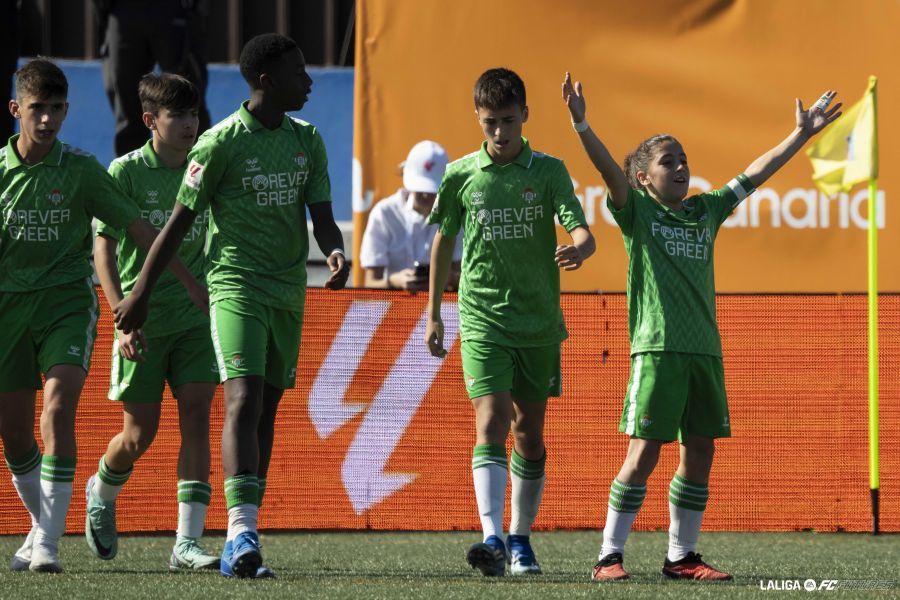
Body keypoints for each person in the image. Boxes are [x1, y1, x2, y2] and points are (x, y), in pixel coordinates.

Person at [561, 72, 841, 582]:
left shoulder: (706, 211)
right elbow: (609, 173)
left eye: (684, 159)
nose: (682, 167)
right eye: (669, 161)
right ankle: (608, 555)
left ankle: (681, 556)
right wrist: (582, 124)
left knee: (701, 450)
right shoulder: (638, 212)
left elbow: (755, 173)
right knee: (644, 453)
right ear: (644, 177)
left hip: (704, 352)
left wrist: (801, 135)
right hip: (658, 350)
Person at [112, 33, 350, 580]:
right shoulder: (218, 144)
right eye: (299, 72)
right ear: (266, 81)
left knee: (265, 409)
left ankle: (247, 528)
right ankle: (239, 535)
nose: (309, 82)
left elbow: (322, 214)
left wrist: (334, 249)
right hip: (234, 287)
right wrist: (142, 292)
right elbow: (177, 226)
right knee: (241, 398)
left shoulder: (307, 140)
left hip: (287, 293)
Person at [0, 58, 206, 574]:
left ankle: (50, 545)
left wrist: (186, 282)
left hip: (67, 303)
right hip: (9, 309)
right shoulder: (5, 174)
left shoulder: (83, 169)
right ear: (15, 110)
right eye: (36, 109)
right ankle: (47, 523)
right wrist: (132, 307)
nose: (46, 120)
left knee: (58, 410)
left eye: (55, 109)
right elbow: (113, 244)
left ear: (67, 110)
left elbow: (140, 231)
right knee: (18, 436)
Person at [426, 67, 596, 577]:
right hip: (481, 319)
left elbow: (580, 227)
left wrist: (582, 247)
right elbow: (443, 243)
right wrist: (434, 312)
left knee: (529, 433)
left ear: (525, 115)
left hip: (539, 323)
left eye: (507, 120)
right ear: (478, 120)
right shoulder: (460, 175)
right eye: (489, 122)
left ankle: (521, 538)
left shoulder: (548, 171)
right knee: (492, 419)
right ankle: (493, 537)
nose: (499, 132)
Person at [84, 73, 219, 571]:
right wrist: (122, 318)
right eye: (177, 116)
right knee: (139, 436)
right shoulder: (124, 172)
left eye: (193, 114)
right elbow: (103, 247)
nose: (190, 124)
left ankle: (186, 543)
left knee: (198, 417)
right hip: (141, 322)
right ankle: (101, 487)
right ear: (149, 121)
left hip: (197, 320)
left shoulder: (207, 163)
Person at [94, 0, 211, 156]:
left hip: (174, 9)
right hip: (122, 11)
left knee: (187, 98)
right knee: (126, 104)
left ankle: (200, 168)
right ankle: (131, 175)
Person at [360, 140, 461, 291]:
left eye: (433, 190)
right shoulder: (383, 213)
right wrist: (394, 282)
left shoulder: (455, 215)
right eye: (421, 189)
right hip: (395, 309)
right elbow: (370, 284)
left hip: (442, 310)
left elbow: (465, 279)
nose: (426, 195)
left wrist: (449, 279)